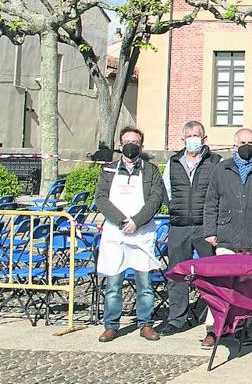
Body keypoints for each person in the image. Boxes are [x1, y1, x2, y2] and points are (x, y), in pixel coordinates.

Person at [201, 128, 252, 348]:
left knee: (248, 289)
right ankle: (214, 329)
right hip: (226, 236)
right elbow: (211, 202)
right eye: (242, 142)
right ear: (234, 145)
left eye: (251, 142)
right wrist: (210, 231)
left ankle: (242, 329)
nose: (247, 145)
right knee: (221, 286)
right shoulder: (221, 168)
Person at [94, 126, 165, 342]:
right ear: (120, 145)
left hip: (141, 234)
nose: (130, 145)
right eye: (126, 142)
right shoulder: (108, 170)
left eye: (135, 141)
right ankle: (111, 325)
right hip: (116, 235)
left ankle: (146, 324)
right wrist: (121, 220)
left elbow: (156, 197)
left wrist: (136, 221)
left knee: (145, 284)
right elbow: (101, 198)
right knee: (114, 284)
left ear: (141, 146)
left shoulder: (151, 170)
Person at [158, 120, 221, 337]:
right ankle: (177, 319)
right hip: (180, 226)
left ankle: (214, 321)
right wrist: (175, 208)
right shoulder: (173, 161)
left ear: (204, 139)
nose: (193, 139)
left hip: (206, 227)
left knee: (212, 274)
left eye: (197, 135)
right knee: (177, 274)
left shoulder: (216, 162)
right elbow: (165, 190)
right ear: (183, 139)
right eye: (190, 135)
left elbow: (220, 192)